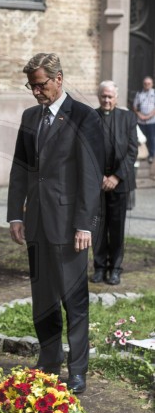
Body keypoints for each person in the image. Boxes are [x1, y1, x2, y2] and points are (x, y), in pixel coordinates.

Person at [7, 53, 104, 394]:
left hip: (68, 227)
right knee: (43, 298)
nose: (36, 92)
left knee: (74, 301)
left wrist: (85, 224)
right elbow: (20, 169)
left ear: (59, 79)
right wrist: (16, 214)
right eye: (31, 86)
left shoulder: (84, 117)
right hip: (36, 225)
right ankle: (49, 361)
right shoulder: (30, 117)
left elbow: (90, 176)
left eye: (41, 85)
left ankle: (77, 371)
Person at [91, 81, 138, 286]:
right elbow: (86, 149)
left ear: (116, 98)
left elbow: (132, 150)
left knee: (117, 229)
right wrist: (99, 175)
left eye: (110, 97)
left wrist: (116, 177)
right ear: (98, 96)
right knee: (98, 228)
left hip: (120, 183)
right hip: (97, 184)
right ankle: (100, 268)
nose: (107, 100)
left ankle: (115, 269)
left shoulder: (128, 117)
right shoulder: (90, 117)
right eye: (103, 96)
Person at [133, 76, 155, 164]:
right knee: (141, 139)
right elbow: (135, 106)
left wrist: (149, 116)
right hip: (141, 121)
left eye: (149, 83)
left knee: (151, 138)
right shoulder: (139, 94)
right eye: (145, 84)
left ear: (152, 84)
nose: (147, 85)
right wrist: (139, 115)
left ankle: (151, 155)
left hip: (151, 121)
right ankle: (142, 154)